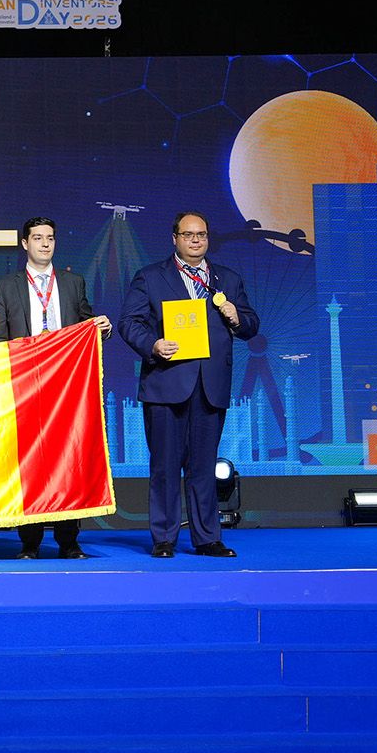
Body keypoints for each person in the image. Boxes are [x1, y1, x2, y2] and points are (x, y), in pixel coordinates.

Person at [118, 212, 259, 559]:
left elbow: (251, 324)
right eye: (188, 234)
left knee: (203, 468)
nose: (195, 240)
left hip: (210, 386)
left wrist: (237, 318)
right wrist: (153, 344)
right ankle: (164, 538)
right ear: (175, 238)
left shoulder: (227, 279)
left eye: (201, 235)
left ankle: (207, 538)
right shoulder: (151, 277)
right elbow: (129, 322)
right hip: (166, 383)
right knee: (165, 466)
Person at [0, 217, 111, 561]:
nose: (45, 244)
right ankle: (29, 542)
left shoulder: (73, 282)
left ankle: (69, 541)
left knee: (68, 462)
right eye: (38, 238)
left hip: (67, 386)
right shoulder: (6, 286)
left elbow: (85, 326)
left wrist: (101, 328)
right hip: (25, 386)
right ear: (24, 244)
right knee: (30, 464)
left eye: (50, 238)